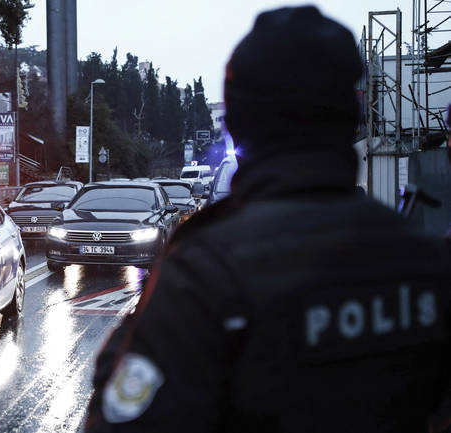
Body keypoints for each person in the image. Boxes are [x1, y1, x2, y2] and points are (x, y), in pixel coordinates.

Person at [86, 6, 451, 433]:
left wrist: (128, 343)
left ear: (238, 125)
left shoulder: (204, 273)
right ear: (353, 115)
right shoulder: (425, 261)